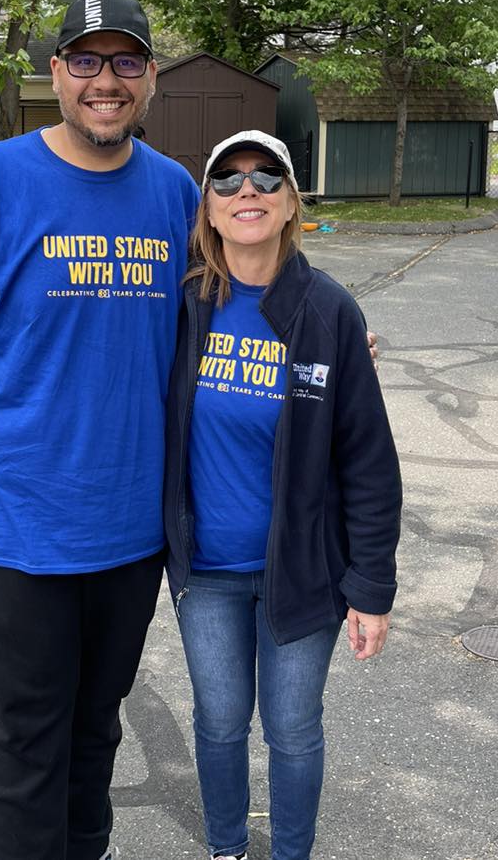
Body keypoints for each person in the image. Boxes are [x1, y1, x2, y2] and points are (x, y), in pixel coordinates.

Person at [0, 0, 200, 860]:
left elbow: (242, 296)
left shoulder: (174, 194)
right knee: (23, 748)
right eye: (88, 62)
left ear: (151, 78)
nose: (108, 80)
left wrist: (325, 324)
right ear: (56, 74)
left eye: (127, 61)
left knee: (94, 734)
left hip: (131, 531)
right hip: (12, 529)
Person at [162, 130, 403, 860]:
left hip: (303, 571)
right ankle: (226, 849)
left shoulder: (330, 312)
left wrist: (372, 588)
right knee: (220, 719)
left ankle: (291, 853)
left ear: (293, 202)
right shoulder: (181, 307)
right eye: (228, 182)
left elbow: (369, 462)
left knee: (293, 728)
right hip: (207, 570)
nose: (248, 193)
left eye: (268, 179)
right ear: (207, 208)